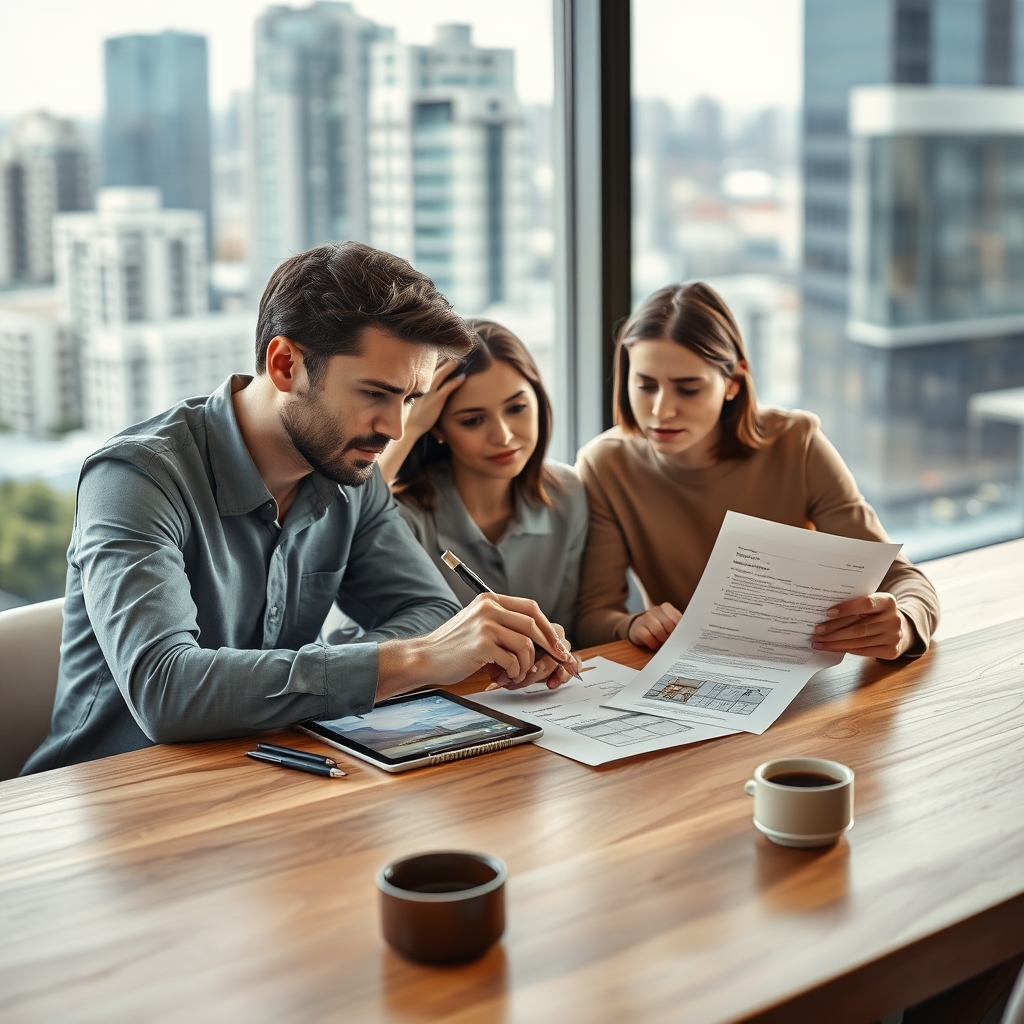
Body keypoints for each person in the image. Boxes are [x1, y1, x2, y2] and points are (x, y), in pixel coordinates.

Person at [23, 243, 576, 774]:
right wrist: (414, 660)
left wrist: (409, 654)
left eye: (409, 399)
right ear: (285, 364)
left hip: (269, 773)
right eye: (374, 393)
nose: (396, 429)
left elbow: (427, 610)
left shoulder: (350, 468)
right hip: (106, 797)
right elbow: (167, 690)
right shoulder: (135, 478)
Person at [574, 281, 940, 658]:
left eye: (688, 389)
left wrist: (906, 626)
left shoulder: (796, 443)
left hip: (798, 665)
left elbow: (903, 579)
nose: (661, 410)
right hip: (688, 668)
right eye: (645, 385)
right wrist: (633, 623)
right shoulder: (605, 465)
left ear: (732, 382)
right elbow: (593, 615)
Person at [376, 320, 588, 642]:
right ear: (438, 428)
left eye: (516, 408)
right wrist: (412, 423)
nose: (503, 436)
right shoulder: (404, 514)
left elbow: (569, 629)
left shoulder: (567, 493)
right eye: (473, 420)